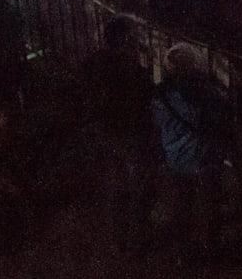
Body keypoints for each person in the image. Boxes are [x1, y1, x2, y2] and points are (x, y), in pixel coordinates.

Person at [151, 43, 233, 264]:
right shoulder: (204, 94)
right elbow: (223, 114)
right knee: (209, 205)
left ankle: (183, 252)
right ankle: (211, 250)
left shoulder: (161, 96)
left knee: (182, 205)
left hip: (176, 159)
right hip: (204, 157)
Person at [82, 13, 157, 253]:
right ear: (124, 40)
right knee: (139, 186)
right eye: (132, 38)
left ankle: (120, 236)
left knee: (117, 185)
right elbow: (143, 99)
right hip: (128, 133)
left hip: (105, 133)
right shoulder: (127, 69)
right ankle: (137, 238)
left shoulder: (94, 62)